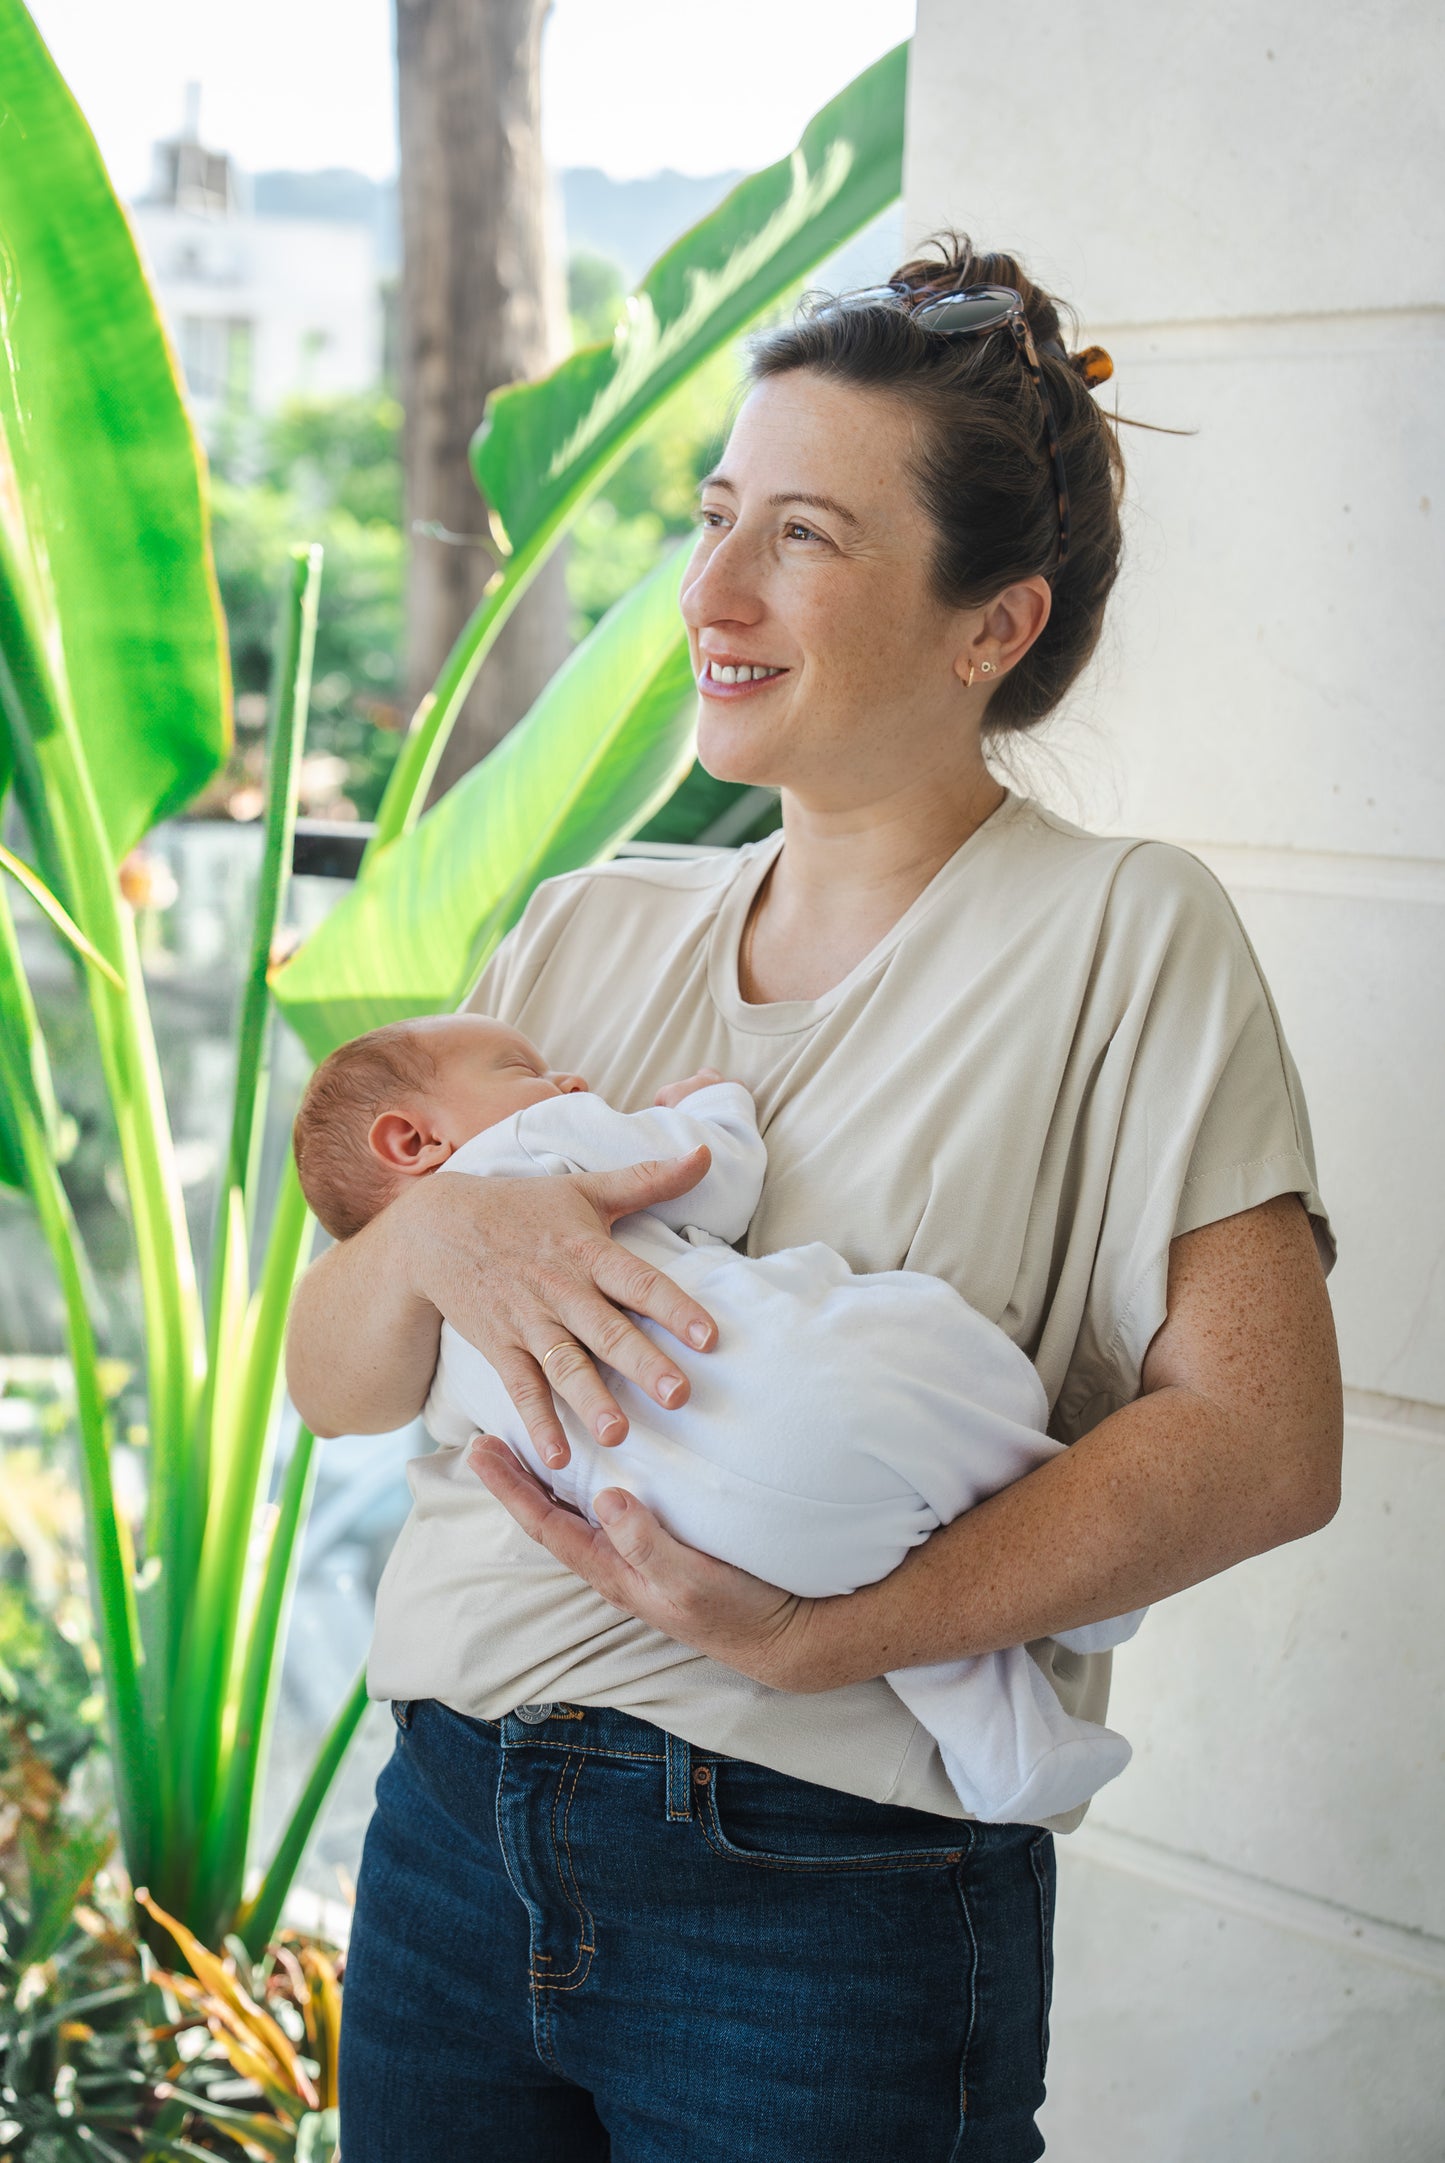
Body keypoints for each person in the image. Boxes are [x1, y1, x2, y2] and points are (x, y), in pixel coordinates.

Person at [287, 237, 1343, 2163]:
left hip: (821, 1894)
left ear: (989, 625)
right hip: (448, 1835)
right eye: (711, 518)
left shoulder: (1122, 933)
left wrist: (831, 1631)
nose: (709, 592)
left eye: (804, 536)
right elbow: (343, 1381)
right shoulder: (590, 927)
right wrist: (428, 1236)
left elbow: (1264, 1438)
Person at [289, 1012, 1146, 1825]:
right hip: (804, 1419)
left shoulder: (433, 1348)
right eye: (522, 1069)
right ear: (414, 1139)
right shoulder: (525, 1146)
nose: (569, 1077)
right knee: (922, 1351)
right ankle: (1068, 1571)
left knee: (868, 1576)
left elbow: (354, 1400)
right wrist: (704, 1103)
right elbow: (713, 1174)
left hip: (704, 1544)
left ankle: (1010, 1750)